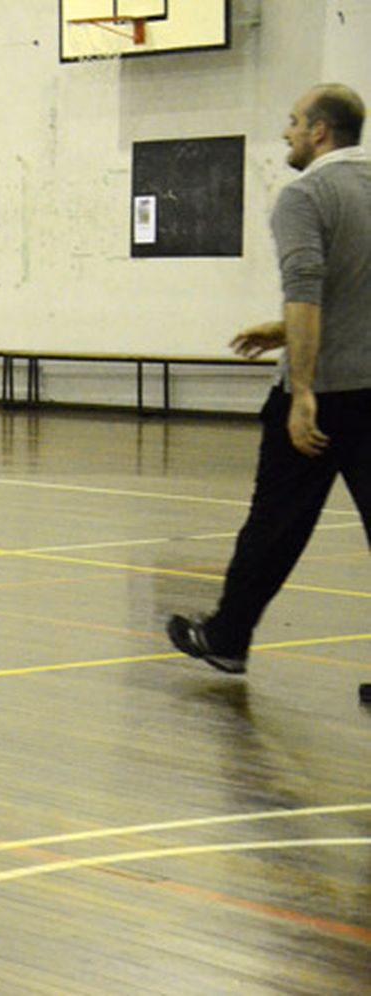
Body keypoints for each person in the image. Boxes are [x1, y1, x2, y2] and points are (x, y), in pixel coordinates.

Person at [167, 84, 371, 674]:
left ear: (319, 132)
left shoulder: (305, 196)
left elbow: (306, 288)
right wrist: (283, 331)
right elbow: (354, 293)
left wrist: (303, 390)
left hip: (327, 396)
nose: (286, 132)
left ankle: (228, 639)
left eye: (292, 122)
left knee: (275, 525)